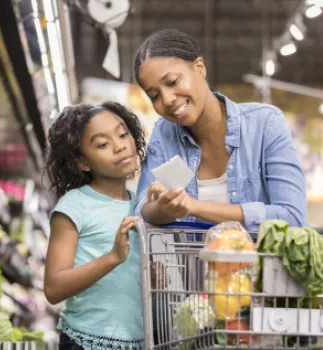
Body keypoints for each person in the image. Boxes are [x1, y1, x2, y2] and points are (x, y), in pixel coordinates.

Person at [132, 29, 307, 232]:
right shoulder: (164, 134)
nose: (168, 99)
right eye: (154, 95)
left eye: (172, 82)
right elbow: (140, 210)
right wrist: (162, 208)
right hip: (194, 264)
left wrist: (194, 206)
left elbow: (291, 216)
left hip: (267, 263)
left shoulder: (265, 123)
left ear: (199, 68)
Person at [44, 102, 147, 350]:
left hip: (137, 342)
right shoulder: (74, 205)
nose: (120, 146)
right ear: (83, 163)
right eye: (103, 144)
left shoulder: (140, 204)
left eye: (123, 134)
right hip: (84, 341)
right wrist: (113, 257)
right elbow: (53, 288)